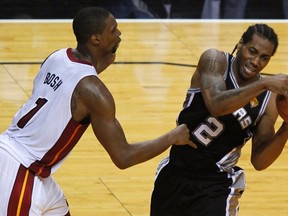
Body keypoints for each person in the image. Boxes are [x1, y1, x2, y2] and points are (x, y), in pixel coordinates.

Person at [0, 7, 194, 215]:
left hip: (27, 163)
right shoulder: (93, 92)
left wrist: (100, 62)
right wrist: (173, 136)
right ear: (96, 39)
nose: (119, 34)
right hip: (20, 171)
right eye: (113, 30)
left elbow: (71, 86)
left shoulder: (56, 57)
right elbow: (123, 157)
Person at [150, 23, 288, 215]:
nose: (256, 62)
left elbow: (260, 161)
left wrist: (286, 127)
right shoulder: (215, 61)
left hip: (216, 185)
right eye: (252, 51)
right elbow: (216, 105)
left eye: (264, 58)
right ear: (240, 44)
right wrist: (263, 83)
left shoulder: (268, 100)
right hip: (176, 173)